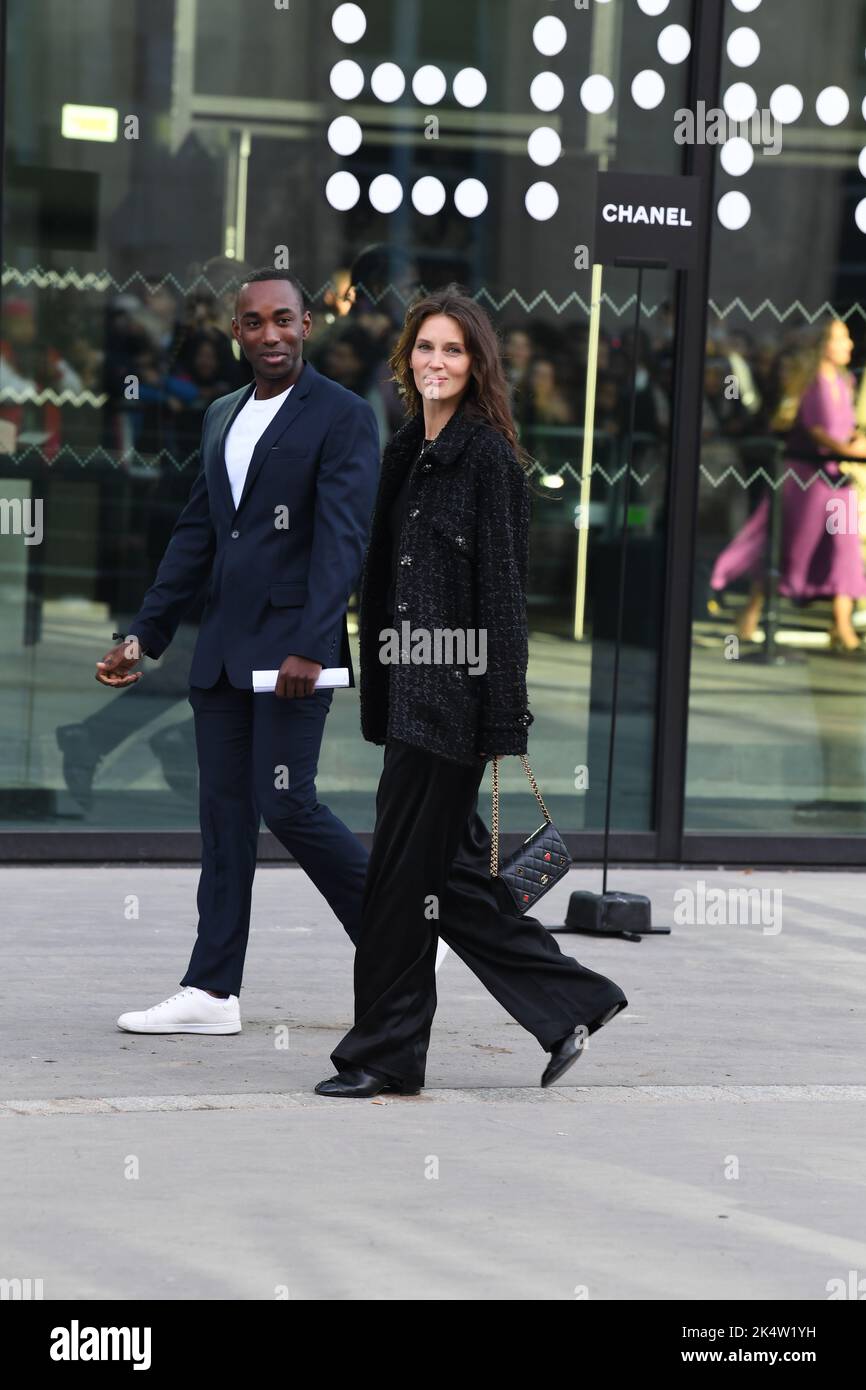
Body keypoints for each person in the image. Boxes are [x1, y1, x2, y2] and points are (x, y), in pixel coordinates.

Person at [316, 286, 628, 1098]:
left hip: (451, 707)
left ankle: (385, 1057)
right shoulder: (405, 451)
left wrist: (502, 717)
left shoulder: (489, 458)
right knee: (439, 882)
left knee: (395, 886)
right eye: (426, 348)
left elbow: (502, 599)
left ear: (476, 364)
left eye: (453, 350)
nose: (436, 362)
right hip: (408, 694)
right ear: (406, 358)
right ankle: (573, 1003)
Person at [94, 268, 380, 1034]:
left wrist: (314, 644)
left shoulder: (343, 416)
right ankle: (212, 991)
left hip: (294, 654)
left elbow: (344, 540)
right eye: (253, 323)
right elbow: (197, 534)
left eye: (283, 319)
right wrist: (145, 636)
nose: (271, 334)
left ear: (308, 324)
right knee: (223, 816)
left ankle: (395, 930)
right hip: (221, 651)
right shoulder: (222, 414)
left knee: (286, 802)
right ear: (237, 335)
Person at [710, 319, 866, 652]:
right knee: (791, 551)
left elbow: (843, 428)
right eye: (842, 338)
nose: (849, 345)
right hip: (807, 481)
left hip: (837, 480)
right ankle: (750, 616)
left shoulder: (846, 381)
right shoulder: (810, 384)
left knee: (845, 550)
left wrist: (854, 443)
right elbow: (817, 430)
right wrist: (849, 449)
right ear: (823, 344)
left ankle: (842, 626)